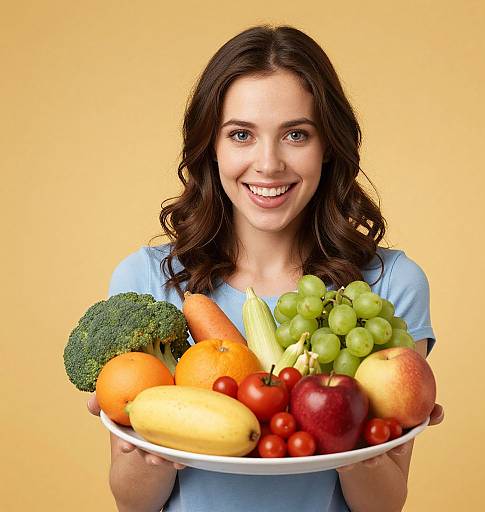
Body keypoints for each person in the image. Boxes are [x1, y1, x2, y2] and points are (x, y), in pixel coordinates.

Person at [87, 24, 444, 512]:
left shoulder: (388, 286)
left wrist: (365, 446)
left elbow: (382, 506)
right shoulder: (145, 282)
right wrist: (141, 451)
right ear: (210, 148)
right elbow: (135, 504)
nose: (269, 163)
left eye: (296, 134)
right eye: (241, 135)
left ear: (328, 146)